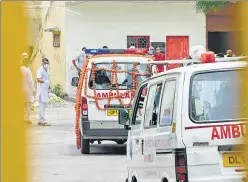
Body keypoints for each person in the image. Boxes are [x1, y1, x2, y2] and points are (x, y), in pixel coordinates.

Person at [20, 52, 35, 125]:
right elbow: (30, 81)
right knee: (29, 104)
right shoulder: (28, 70)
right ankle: (26, 119)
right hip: (27, 89)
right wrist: (33, 90)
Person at [36, 58, 51, 126]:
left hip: (45, 90)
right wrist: (45, 81)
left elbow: (47, 79)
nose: (46, 64)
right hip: (41, 90)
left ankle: (40, 120)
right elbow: (38, 79)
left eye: (47, 63)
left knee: (43, 106)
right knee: (42, 106)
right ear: (42, 63)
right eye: (45, 63)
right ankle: (43, 121)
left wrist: (48, 87)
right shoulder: (40, 70)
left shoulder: (46, 70)